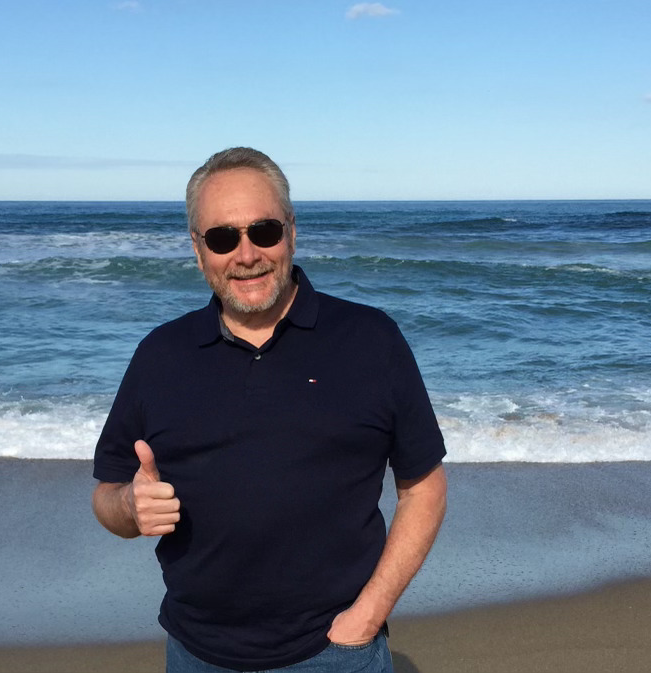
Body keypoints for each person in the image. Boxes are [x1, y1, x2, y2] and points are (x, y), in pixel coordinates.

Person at [92, 147, 447, 672]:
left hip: (335, 651)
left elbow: (424, 487)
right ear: (198, 249)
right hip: (195, 654)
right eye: (221, 238)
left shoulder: (371, 340)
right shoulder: (160, 354)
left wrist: (367, 616)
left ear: (291, 230)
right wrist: (129, 506)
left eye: (264, 230)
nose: (246, 254)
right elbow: (107, 494)